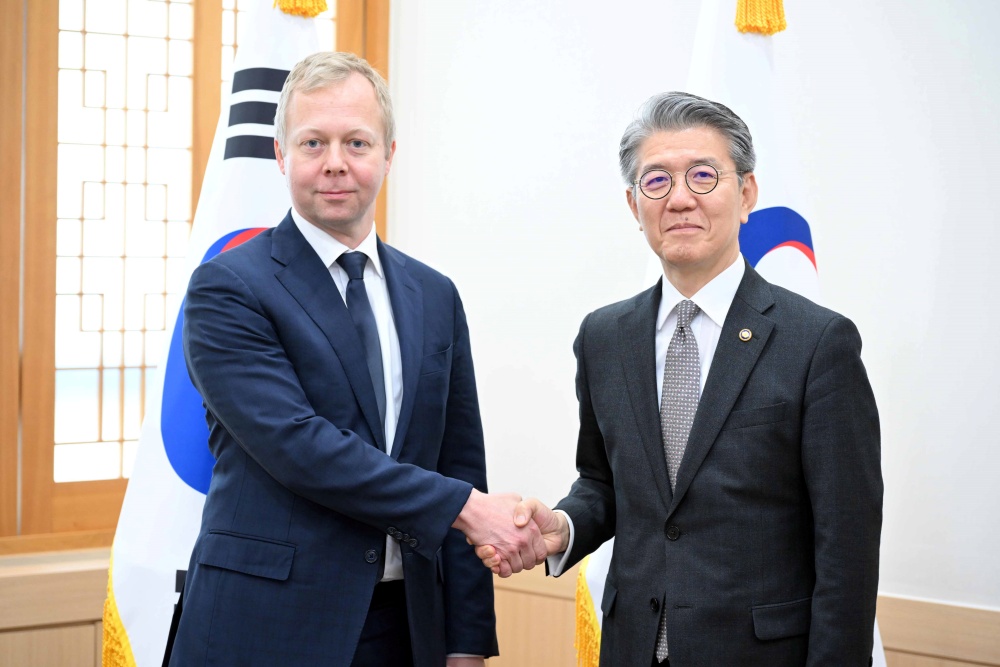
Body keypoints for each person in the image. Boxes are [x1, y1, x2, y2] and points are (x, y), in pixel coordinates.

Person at [164, 52, 545, 667]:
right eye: (313, 142)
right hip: (265, 627)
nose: (335, 162)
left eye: (357, 142)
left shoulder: (434, 295)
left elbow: (459, 458)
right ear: (281, 155)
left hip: (406, 628)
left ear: (389, 154)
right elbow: (300, 446)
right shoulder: (227, 287)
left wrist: (468, 641)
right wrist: (467, 510)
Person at [478, 92, 883, 666]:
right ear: (633, 204)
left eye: (703, 175)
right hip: (632, 649)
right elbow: (605, 482)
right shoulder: (604, 336)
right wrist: (564, 526)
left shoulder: (817, 343)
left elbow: (847, 548)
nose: (681, 199)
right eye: (657, 181)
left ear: (746, 194)